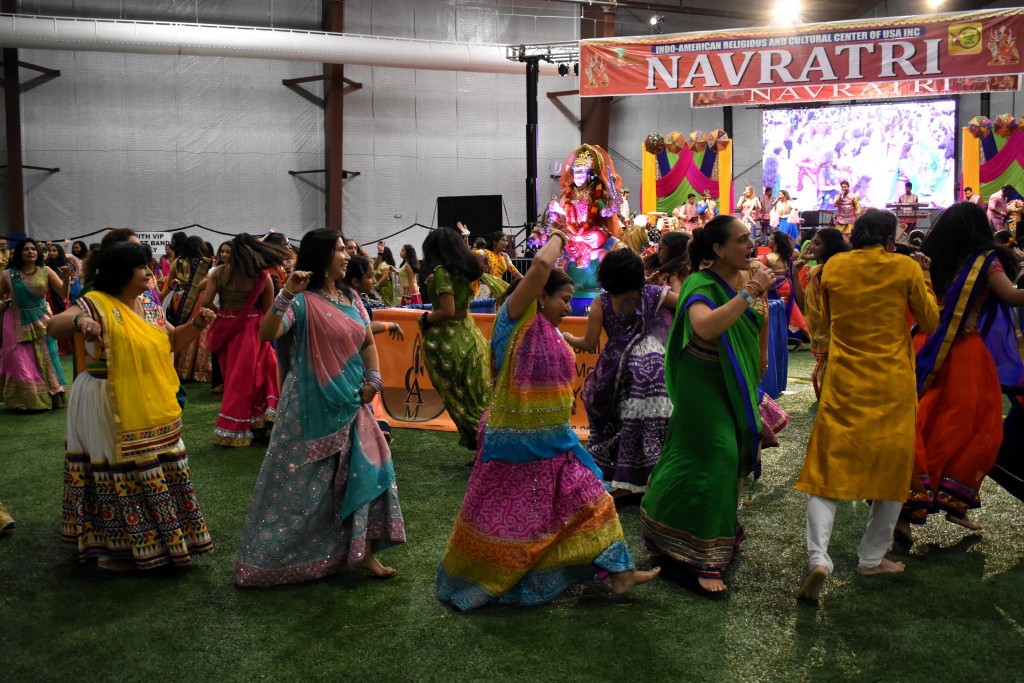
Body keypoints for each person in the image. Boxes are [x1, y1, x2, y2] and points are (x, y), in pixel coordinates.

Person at [436, 230, 660, 610]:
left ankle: (619, 573)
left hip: (556, 441)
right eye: (565, 300)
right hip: (514, 442)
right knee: (510, 521)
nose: (568, 308)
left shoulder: (552, 332)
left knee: (595, 500)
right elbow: (540, 265)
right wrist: (559, 234)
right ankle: (491, 576)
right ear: (540, 295)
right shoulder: (514, 321)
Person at [235, 228, 405, 587]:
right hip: (308, 410)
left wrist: (374, 379)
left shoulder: (352, 298)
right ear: (323, 254)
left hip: (353, 402)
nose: (347, 255)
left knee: (369, 471)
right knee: (302, 489)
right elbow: (267, 334)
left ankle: (364, 553)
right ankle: (276, 560)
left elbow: (367, 341)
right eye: (341, 250)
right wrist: (285, 294)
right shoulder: (300, 301)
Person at [794, 209, 939, 603]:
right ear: (890, 239)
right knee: (893, 469)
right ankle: (871, 558)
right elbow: (929, 320)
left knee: (827, 469)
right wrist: (924, 274)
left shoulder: (832, 268)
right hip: (891, 383)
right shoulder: (904, 269)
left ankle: (818, 558)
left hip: (844, 380)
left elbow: (819, 324)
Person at [48, 241, 215, 570]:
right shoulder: (95, 302)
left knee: (160, 462)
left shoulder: (149, 305)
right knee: (116, 467)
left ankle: (164, 542)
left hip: (148, 398)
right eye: (143, 267)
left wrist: (196, 325)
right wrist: (82, 323)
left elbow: (173, 341)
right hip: (105, 397)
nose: (150, 272)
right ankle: (118, 549)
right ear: (122, 273)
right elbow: (55, 326)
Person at [641, 216, 775, 592]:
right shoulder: (700, 282)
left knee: (721, 461)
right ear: (718, 249)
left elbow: (757, 326)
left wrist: (759, 366)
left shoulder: (753, 280)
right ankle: (704, 557)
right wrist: (748, 293)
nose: (751, 245)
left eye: (751, 238)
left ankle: (704, 530)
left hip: (739, 381)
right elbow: (705, 328)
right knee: (720, 454)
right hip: (701, 381)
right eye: (742, 239)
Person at [895, 202, 1024, 537]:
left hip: (922, 343)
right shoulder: (985, 261)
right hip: (962, 350)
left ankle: (909, 510)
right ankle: (942, 501)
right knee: (972, 427)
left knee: (921, 420)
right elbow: (1010, 297)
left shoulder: (926, 259)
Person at [565, 248, 677, 495]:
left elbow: (588, 342)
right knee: (654, 420)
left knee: (622, 420)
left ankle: (621, 477)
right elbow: (687, 304)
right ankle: (657, 475)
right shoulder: (654, 295)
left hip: (617, 368)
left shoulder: (601, 302)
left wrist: (569, 337)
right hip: (653, 365)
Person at [202, 234, 289, 447]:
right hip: (253, 329)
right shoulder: (262, 277)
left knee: (234, 378)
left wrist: (224, 314)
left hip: (226, 330)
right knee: (259, 375)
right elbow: (268, 310)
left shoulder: (219, 273)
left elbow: (205, 301)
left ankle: (236, 426)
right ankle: (257, 423)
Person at [419, 227, 491, 451]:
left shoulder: (443, 272)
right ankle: (491, 447)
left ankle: (483, 446)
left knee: (463, 400)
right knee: (479, 396)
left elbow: (447, 311)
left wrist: (426, 319)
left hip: (449, 340)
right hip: (469, 335)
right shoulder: (466, 270)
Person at [0, 238, 70, 410]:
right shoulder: (10, 274)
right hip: (16, 319)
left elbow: (63, 292)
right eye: (26, 249)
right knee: (20, 360)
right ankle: (26, 402)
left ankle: (52, 397)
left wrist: (67, 279)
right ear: (19, 254)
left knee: (48, 359)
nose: (30, 252)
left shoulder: (46, 270)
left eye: (33, 249)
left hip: (42, 319)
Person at [792, 227, 849, 399]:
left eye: (817, 243)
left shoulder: (842, 271)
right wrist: (794, 276)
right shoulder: (814, 272)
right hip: (821, 337)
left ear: (830, 246)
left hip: (840, 338)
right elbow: (804, 306)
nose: (812, 248)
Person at [167, 236, 214, 382]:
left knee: (180, 329)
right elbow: (209, 282)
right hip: (198, 298)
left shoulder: (177, 262)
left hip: (178, 298)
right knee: (197, 330)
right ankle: (197, 372)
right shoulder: (206, 264)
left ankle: (178, 369)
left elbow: (170, 282)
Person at [373, 242, 398, 307]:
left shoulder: (384, 265)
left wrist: (376, 285)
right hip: (383, 289)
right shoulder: (381, 265)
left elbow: (385, 276)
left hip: (384, 290)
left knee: (385, 306)